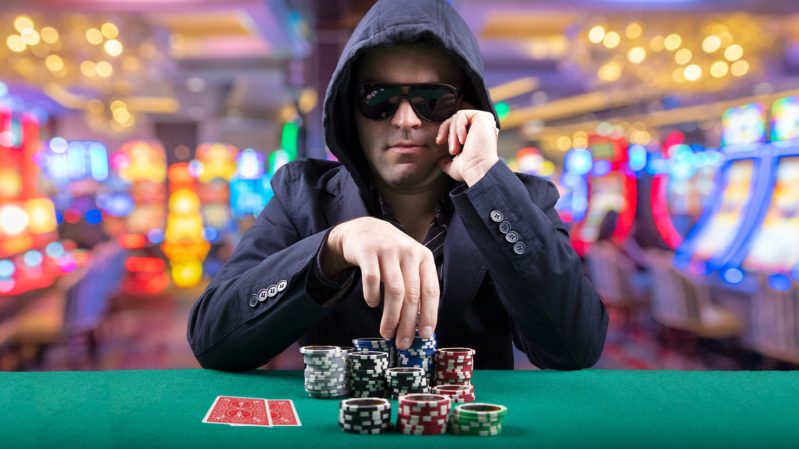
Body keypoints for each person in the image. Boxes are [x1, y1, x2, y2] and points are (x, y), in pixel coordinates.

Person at [188, 0, 608, 371]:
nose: (405, 119)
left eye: (433, 99)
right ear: (349, 110)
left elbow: (574, 348)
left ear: (467, 107)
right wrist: (333, 248)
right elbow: (212, 339)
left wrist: (484, 173)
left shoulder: (523, 201)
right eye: (378, 97)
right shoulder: (302, 195)